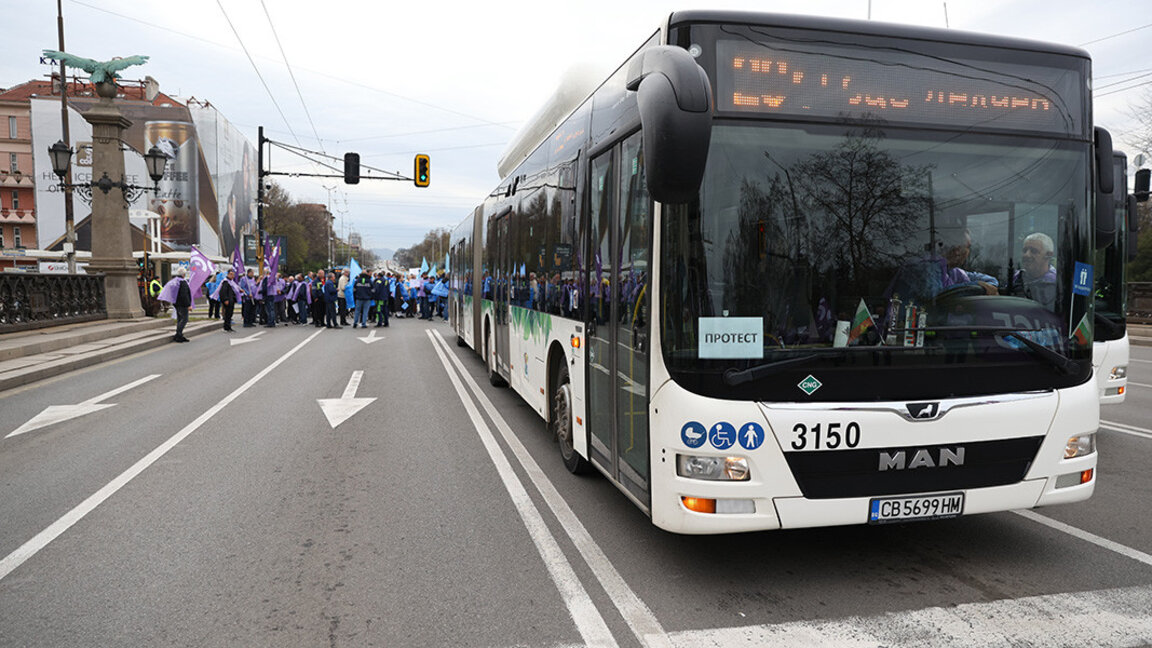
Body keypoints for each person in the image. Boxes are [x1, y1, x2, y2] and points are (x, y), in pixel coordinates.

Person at [1010, 232, 1058, 310]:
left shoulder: (1058, 284)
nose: (1026, 255)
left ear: (1048, 255)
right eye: (1025, 250)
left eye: (1034, 251)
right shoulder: (1015, 278)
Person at [157, 266, 192, 342]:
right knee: (184, 319)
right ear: (183, 274)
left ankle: (179, 334)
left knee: (180, 319)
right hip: (183, 304)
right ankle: (178, 335)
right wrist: (188, 305)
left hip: (176, 303)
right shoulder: (183, 282)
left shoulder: (174, 281)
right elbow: (184, 295)